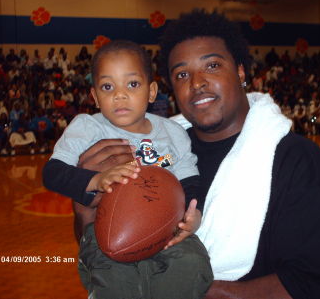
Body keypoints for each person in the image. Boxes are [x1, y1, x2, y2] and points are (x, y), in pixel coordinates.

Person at [74, 10, 320, 299]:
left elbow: (319, 283)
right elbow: (109, 251)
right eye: (182, 74)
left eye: (212, 65)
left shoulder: (298, 161)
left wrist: (209, 292)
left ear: (241, 71)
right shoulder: (154, 152)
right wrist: (86, 208)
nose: (196, 82)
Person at [43, 40, 212, 299]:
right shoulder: (87, 127)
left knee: (193, 264)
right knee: (116, 280)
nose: (119, 95)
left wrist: (192, 213)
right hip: (108, 234)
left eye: (132, 84)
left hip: (164, 229)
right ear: (95, 97)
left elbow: (189, 179)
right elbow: (52, 173)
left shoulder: (173, 132)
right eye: (107, 87)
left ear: (152, 91)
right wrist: (96, 180)